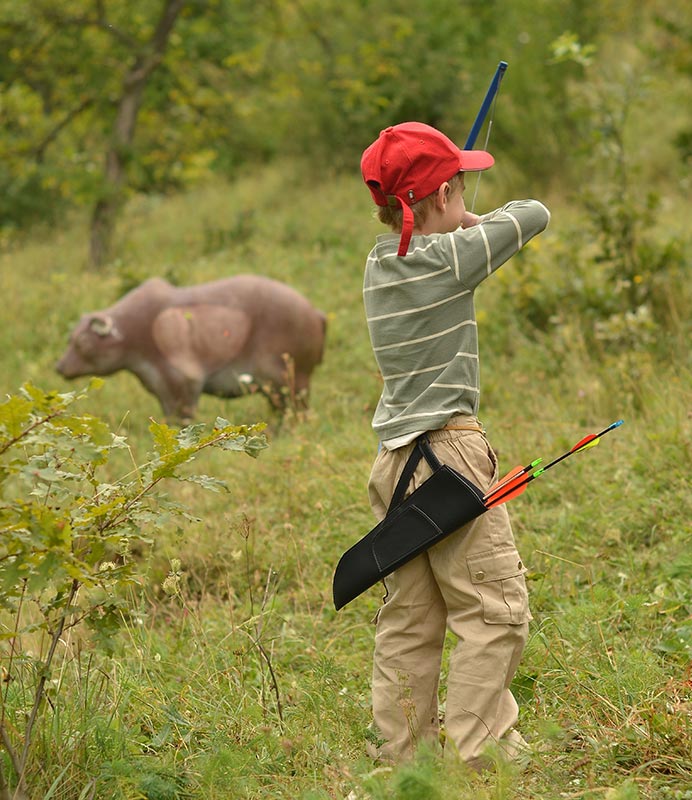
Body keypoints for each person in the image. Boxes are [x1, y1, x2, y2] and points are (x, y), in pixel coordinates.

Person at [359, 121, 551, 769]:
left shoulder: (381, 263)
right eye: (460, 184)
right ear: (440, 194)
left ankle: (406, 763)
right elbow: (533, 213)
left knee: (412, 621)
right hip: (450, 457)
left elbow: (442, 232)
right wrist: (471, 219)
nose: (468, 195)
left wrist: (449, 211)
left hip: (394, 463)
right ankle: (478, 758)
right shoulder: (448, 258)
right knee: (495, 609)